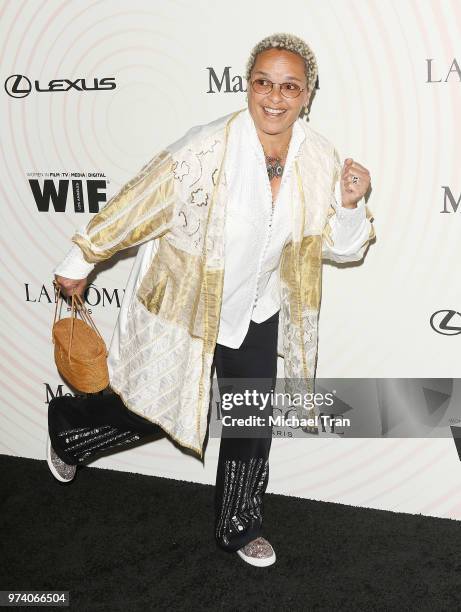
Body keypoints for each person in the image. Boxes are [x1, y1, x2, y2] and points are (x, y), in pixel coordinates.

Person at [47, 32, 375, 567]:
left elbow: (338, 248)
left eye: (290, 86)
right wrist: (81, 261)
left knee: (250, 418)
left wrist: (350, 203)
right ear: (247, 86)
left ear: (308, 94)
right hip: (186, 305)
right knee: (152, 408)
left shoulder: (319, 157)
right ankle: (69, 429)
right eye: (263, 82)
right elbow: (140, 202)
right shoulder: (204, 149)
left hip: (258, 308)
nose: (275, 96)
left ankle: (239, 523)